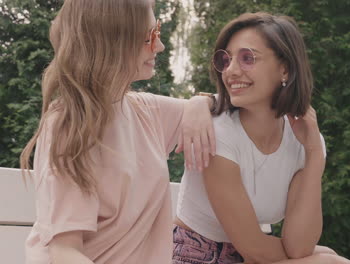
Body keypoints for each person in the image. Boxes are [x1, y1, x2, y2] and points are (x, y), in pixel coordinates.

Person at [20, 0, 216, 263]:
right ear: (113, 40)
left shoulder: (146, 111)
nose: (160, 46)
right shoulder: (68, 125)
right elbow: (64, 251)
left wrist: (200, 102)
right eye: (150, 36)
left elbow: (236, 104)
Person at [174, 12, 350, 264]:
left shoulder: (304, 140)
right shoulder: (219, 133)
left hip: (248, 255)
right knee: (333, 261)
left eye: (248, 58)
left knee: (329, 258)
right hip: (197, 256)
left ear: (285, 69)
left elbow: (299, 246)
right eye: (225, 60)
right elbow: (255, 250)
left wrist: (314, 152)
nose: (231, 71)